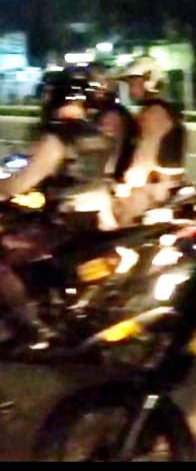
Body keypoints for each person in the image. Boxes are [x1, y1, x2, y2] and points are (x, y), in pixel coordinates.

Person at [0, 71, 116, 349]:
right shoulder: (101, 137)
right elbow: (103, 180)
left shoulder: (56, 139)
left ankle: (31, 325)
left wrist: (4, 186)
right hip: (92, 221)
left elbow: (21, 183)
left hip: (59, 224)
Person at [113, 56, 187, 220]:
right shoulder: (164, 109)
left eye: (133, 84)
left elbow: (144, 158)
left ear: (149, 81)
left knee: (119, 224)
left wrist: (125, 187)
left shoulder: (153, 113)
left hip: (152, 190)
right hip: (168, 185)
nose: (130, 90)